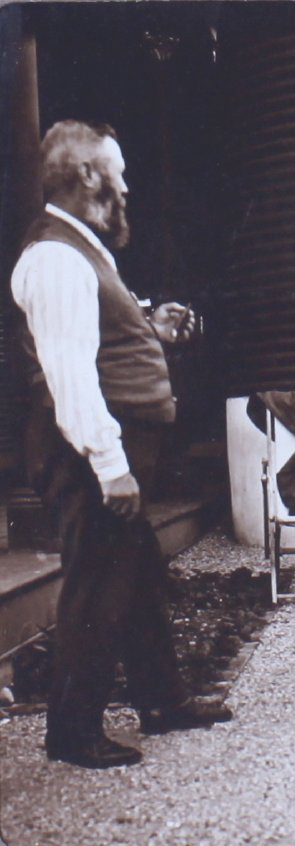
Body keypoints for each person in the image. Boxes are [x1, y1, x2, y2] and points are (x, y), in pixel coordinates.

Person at [11, 120, 231, 769]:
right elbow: (70, 374)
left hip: (113, 446)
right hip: (86, 453)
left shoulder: (79, 252)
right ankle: (72, 732)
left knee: (134, 575)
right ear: (87, 176)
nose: (127, 186)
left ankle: (163, 702)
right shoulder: (54, 256)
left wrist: (144, 319)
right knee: (97, 582)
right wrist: (111, 466)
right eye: (120, 172)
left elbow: (96, 331)